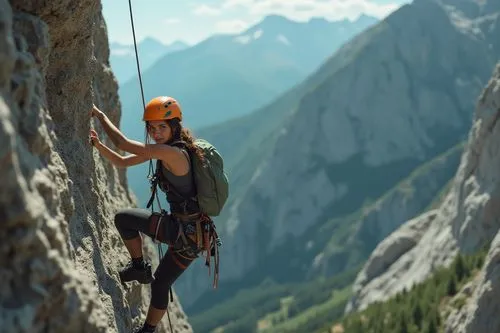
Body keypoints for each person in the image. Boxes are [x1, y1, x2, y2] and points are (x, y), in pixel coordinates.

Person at [89, 96, 217, 333]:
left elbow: (124, 144)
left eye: (162, 127)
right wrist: (98, 146)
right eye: (152, 127)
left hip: (182, 232)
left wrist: (99, 115)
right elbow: (123, 161)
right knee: (160, 284)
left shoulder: (173, 154)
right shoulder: (172, 151)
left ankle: (139, 268)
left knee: (124, 219)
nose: (156, 132)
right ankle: (148, 328)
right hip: (193, 235)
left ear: (174, 127)